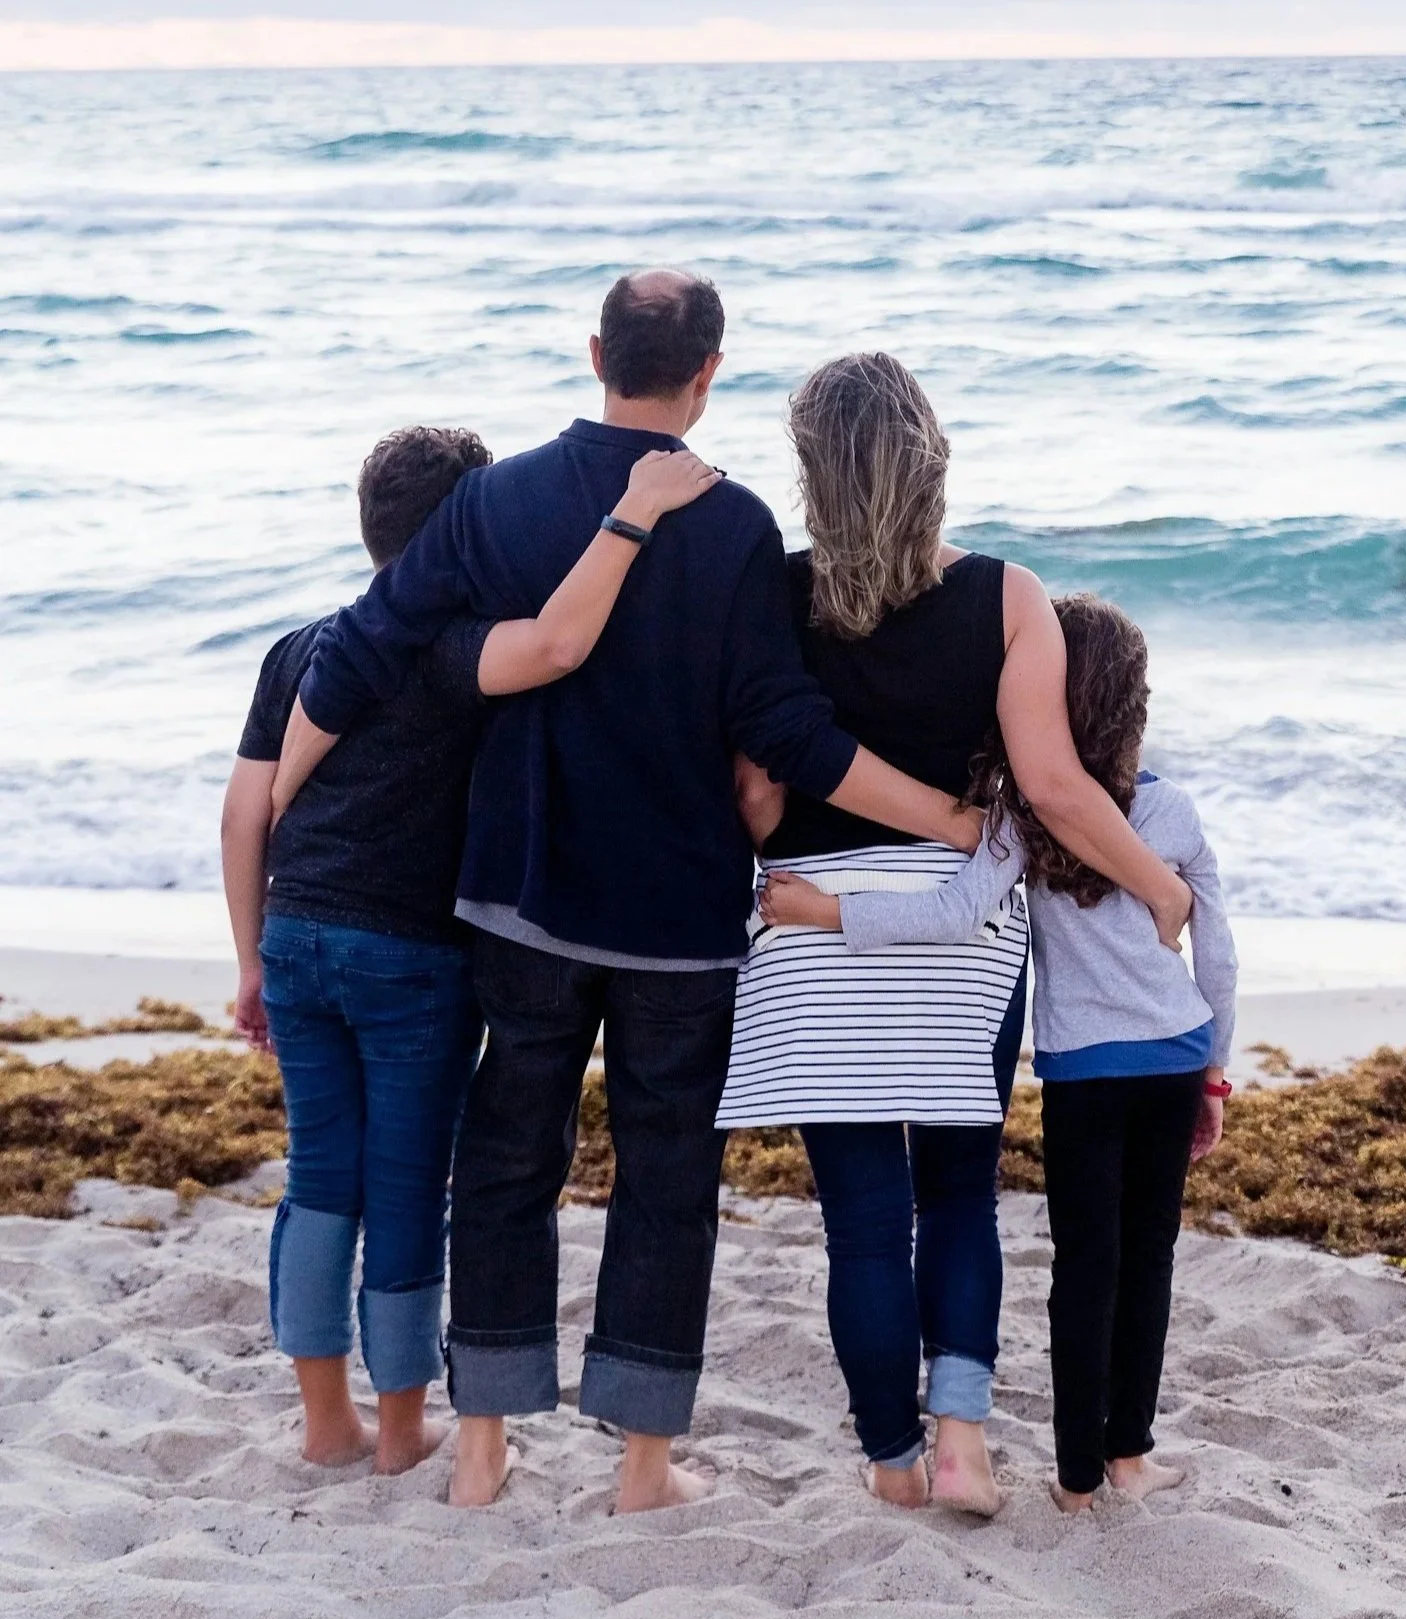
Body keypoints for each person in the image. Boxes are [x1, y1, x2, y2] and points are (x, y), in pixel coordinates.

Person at [269, 272, 986, 1515]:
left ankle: (483, 1443)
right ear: (709, 371)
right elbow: (786, 730)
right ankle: (643, 1467)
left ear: (595, 349)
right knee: (664, 1180)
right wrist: (950, 820)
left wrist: (281, 800)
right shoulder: (736, 525)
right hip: (676, 919)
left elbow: (364, 646)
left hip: (523, 899)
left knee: (505, 1162)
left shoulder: (496, 501)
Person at [717, 354, 1196, 1516]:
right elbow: (1053, 785)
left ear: (811, 472)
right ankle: (964, 1438)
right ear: (931, 459)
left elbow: (755, 803)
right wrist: (1158, 890)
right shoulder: (1006, 595)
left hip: (812, 930)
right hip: (958, 932)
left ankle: (890, 1460)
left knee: (865, 1223)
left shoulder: (772, 596)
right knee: (960, 1196)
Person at [221, 424, 722, 1475]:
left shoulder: (300, 646)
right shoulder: (450, 651)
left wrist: (251, 961)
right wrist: (632, 518)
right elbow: (553, 643)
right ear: (467, 529)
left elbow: (242, 815)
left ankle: (323, 1422)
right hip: (408, 958)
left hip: (297, 937)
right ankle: (401, 1429)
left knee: (320, 1177)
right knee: (405, 1187)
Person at [762, 595, 1238, 1512]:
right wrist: (1214, 1068)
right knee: (1151, 1259)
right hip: (1175, 1057)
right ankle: (1129, 1453)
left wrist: (824, 909)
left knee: (1084, 1266)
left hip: (1081, 1072)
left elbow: (950, 913)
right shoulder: (1170, 811)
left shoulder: (1023, 816)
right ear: (1135, 704)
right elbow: (1215, 953)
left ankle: (1072, 1481)